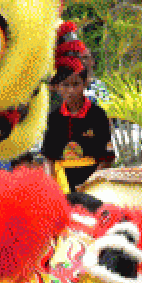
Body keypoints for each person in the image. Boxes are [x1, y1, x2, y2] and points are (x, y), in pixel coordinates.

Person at [42, 25, 115, 192]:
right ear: (58, 87)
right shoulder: (53, 117)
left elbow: (107, 158)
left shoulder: (97, 115)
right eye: (65, 85)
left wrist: (90, 184)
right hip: (61, 183)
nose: (70, 90)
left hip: (94, 182)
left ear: (84, 84)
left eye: (75, 84)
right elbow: (48, 158)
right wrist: (52, 186)